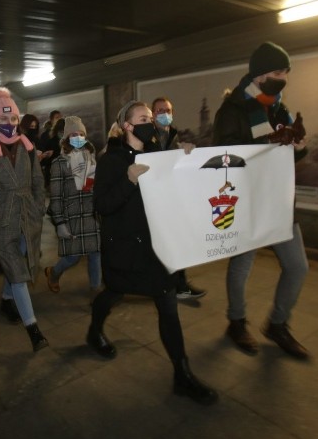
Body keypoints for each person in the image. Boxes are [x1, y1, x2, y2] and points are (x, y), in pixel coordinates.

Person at [87, 100, 217, 405]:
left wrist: (184, 158)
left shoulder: (158, 155)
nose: (151, 121)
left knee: (168, 305)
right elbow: (102, 205)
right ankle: (94, 331)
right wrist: (129, 180)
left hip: (156, 245)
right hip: (124, 247)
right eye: (143, 118)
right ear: (128, 126)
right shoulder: (111, 160)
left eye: (151, 117)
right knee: (114, 292)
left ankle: (182, 375)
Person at [212, 41, 310, 359]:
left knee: (297, 267)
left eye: (285, 73)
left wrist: (298, 145)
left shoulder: (279, 107)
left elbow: (289, 155)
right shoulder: (233, 110)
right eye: (279, 72)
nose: (284, 78)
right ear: (259, 75)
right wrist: (269, 143)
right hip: (248, 200)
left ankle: (277, 324)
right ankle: (236, 321)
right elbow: (224, 156)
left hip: (279, 199)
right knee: (242, 266)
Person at [0, 88, 48, 352]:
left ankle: (6, 299)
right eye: (3, 120)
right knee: (17, 272)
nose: (9, 125)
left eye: (13, 120)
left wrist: (38, 207)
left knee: (19, 262)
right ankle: (33, 328)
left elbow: (38, 180)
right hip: (1, 215)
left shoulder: (27, 146)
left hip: (28, 214)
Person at [151, 97, 208, 301]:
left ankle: (178, 285)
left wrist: (186, 152)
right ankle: (166, 286)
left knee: (179, 244)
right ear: (152, 114)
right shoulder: (149, 137)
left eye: (167, 110)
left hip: (173, 200)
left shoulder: (173, 136)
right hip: (156, 201)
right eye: (159, 111)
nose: (164, 114)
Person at [44, 116, 101, 294]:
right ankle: (53, 272)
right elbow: (55, 196)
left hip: (91, 215)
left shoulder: (91, 158)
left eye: (81, 134)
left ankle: (95, 291)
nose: (78, 137)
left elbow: (94, 187)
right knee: (73, 257)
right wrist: (59, 222)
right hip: (72, 217)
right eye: (73, 134)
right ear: (67, 138)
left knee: (95, 255)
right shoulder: (59, 163)